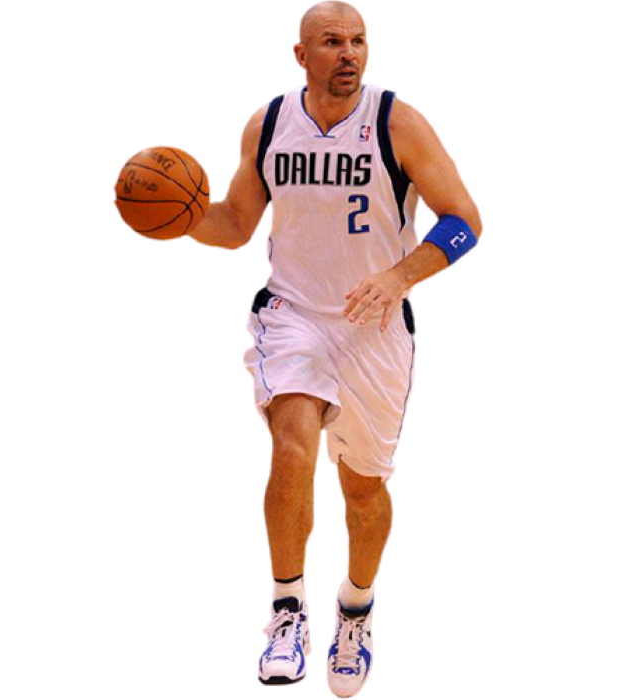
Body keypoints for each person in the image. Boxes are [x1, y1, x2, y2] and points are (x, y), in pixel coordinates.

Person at [188, 1, 484, 695]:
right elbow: (235, 225)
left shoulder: (397, 121)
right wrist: (178, 221)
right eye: (332, 42)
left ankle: (355, 609)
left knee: (364, 488)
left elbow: (465, 221)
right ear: (301, 55)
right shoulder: (268, 124)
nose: (349, 53)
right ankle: (287, 609)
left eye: (359, 41)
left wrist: (399, 276)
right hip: (292, 314)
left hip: (375, 326)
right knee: (292, 446)